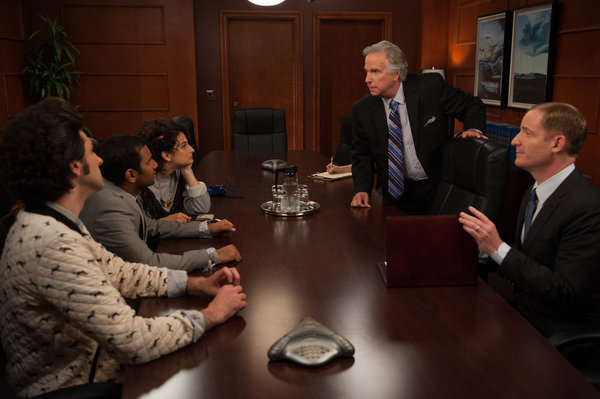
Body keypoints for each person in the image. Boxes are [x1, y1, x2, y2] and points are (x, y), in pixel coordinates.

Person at [0, 97, 247, 397]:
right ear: (75, 167)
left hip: (95, 368)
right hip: (78, 386)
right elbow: (134, 340)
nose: (101, 161)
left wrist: (196, 283)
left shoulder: (54, 221)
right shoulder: (51, 242)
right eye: (92, 153)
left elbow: (123, 273)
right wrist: (212, 315)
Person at [458, 102, 600, 338]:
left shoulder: (588, 208)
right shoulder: (532, 191)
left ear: (557, 143)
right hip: (524, 314)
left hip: (560, 334)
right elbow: (531, 259)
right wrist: (478, 248)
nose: (515, 141)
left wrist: (497, 248)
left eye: (527, 133)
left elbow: (566, 293)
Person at [351, 40, 487, 214]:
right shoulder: (363, 109)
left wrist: (474, 129)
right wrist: (361, 189)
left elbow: (472, 104)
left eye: (375, 72)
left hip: (436, 188)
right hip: (393, 193)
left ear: (395, 74)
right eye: (367, 72)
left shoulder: (430, 87)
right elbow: (362, 154)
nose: (367, 79)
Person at [80, 135, 241, 272]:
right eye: (149, 161)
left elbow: (150, 226)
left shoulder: (120, 191)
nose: (155, 165)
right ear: (131, 175)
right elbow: (149, 263)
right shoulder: (111, 205)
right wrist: (213, 255)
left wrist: (206, 228)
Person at [137, 118, 210, 223]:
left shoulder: (177, 173)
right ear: (166, 155)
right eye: (184, 146)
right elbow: (137, 229)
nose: (192, 150)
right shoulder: (143, 183)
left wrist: (187, 171)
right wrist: (165, 221)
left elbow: (201, 209)